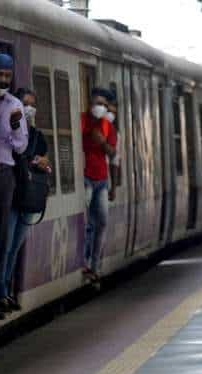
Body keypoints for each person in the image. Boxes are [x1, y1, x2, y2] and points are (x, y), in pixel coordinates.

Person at [0, 53, 29, 320]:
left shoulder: (15, 106)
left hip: (2, 175)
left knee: (0, 237)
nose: (2, 80)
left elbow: (21, 146)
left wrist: (14, 129)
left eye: (7, 76)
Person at [0, 88, 50, 311]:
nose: (28, 108)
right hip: (11, 196)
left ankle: (6, 289)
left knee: (16, 246)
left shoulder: (38, 137)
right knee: (6, 246)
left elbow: (46, 161)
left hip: (29, 197)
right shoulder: (7, 131)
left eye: (32, 104)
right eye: (24, 103)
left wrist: (42, 162)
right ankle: (0, 291)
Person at [81, 88, 116, 282]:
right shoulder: (82, 121)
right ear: (90, 104)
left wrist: (102, 143)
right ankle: (84, 262)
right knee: (87, 223)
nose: (100, 107)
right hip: (85, 177)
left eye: (103, 104)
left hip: (101, 180)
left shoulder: (108, 127)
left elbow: (112, 153)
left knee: (102, 221)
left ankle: (95, 265)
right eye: (97, 103)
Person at [106, 99, 120, 202]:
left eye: (113, 112)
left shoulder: (116, 135)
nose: (110, 115)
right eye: (108, 111)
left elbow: (114, 162)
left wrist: (114, 188)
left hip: (104, 182)